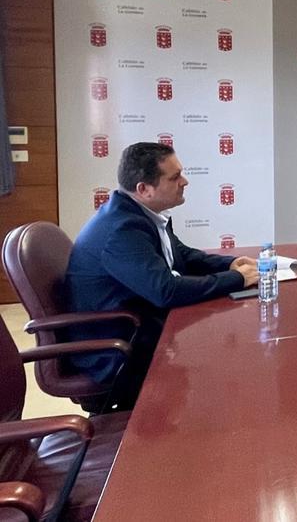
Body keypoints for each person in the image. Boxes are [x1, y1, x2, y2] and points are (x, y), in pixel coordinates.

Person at [65, 142, 259, 409]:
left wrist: (231, 264)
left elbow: (181, 256)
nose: (185, 181)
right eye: (175, 177)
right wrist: (238, 279)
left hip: (143, 326)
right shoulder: (122, 230)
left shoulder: (140, 214)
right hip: (119, 350)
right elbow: (165, 290)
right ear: (144, 189)